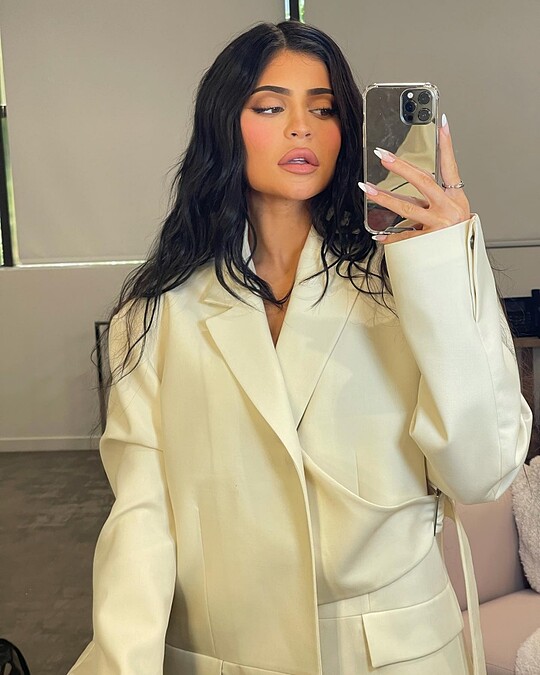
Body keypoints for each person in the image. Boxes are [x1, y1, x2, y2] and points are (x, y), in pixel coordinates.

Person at [68, 19, 532, 675]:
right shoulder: (156, 316)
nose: (301, 129)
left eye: (323, 109)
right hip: (222, 656)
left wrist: (444, 263)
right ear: (225, 125)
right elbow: (142, 519)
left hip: (397, 656)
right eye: (269, 107)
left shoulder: (406, 287)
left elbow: (481, 469)